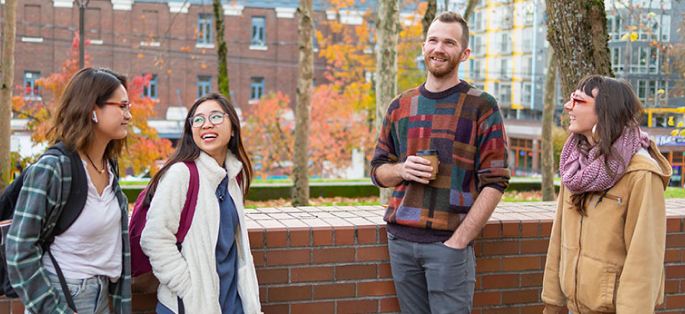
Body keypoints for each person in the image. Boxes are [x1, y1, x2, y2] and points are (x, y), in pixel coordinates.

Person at [370, 11, 510, 313]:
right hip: (401, 241)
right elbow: (377, 170)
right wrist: (401, 169)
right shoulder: (400, 105)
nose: (439, 48)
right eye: (433, 40)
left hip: (450, 246)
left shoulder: (482, 106)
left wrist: (459, 241)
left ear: (464, 53)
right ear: (423, 47)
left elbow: (496, 181)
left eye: (449, 42)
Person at [6, 67, 133, 314]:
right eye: (122, 106)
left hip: (101, 295)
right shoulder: (54, 168)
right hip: (62, 296)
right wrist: (52, 310)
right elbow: (19, 248)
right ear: (93, 110)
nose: (128, 115)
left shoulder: (109, 165)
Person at [542, 75, 672, 314]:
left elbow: (644, 259)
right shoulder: (574, 166)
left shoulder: (641, 174)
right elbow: (558, 238)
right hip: (575, 308)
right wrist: (551, 301)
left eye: (578, 101)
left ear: (605, 111)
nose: (568, 106)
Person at [140, 93, 261, 314]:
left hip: (231, 303)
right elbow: (154, 238)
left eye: (215, 117)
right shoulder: (181, 174)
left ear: (233, 128)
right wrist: (189, 289)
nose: (206, 124)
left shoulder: (233, 176)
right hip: (190, 306)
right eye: (198, 119)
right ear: (191, 131)